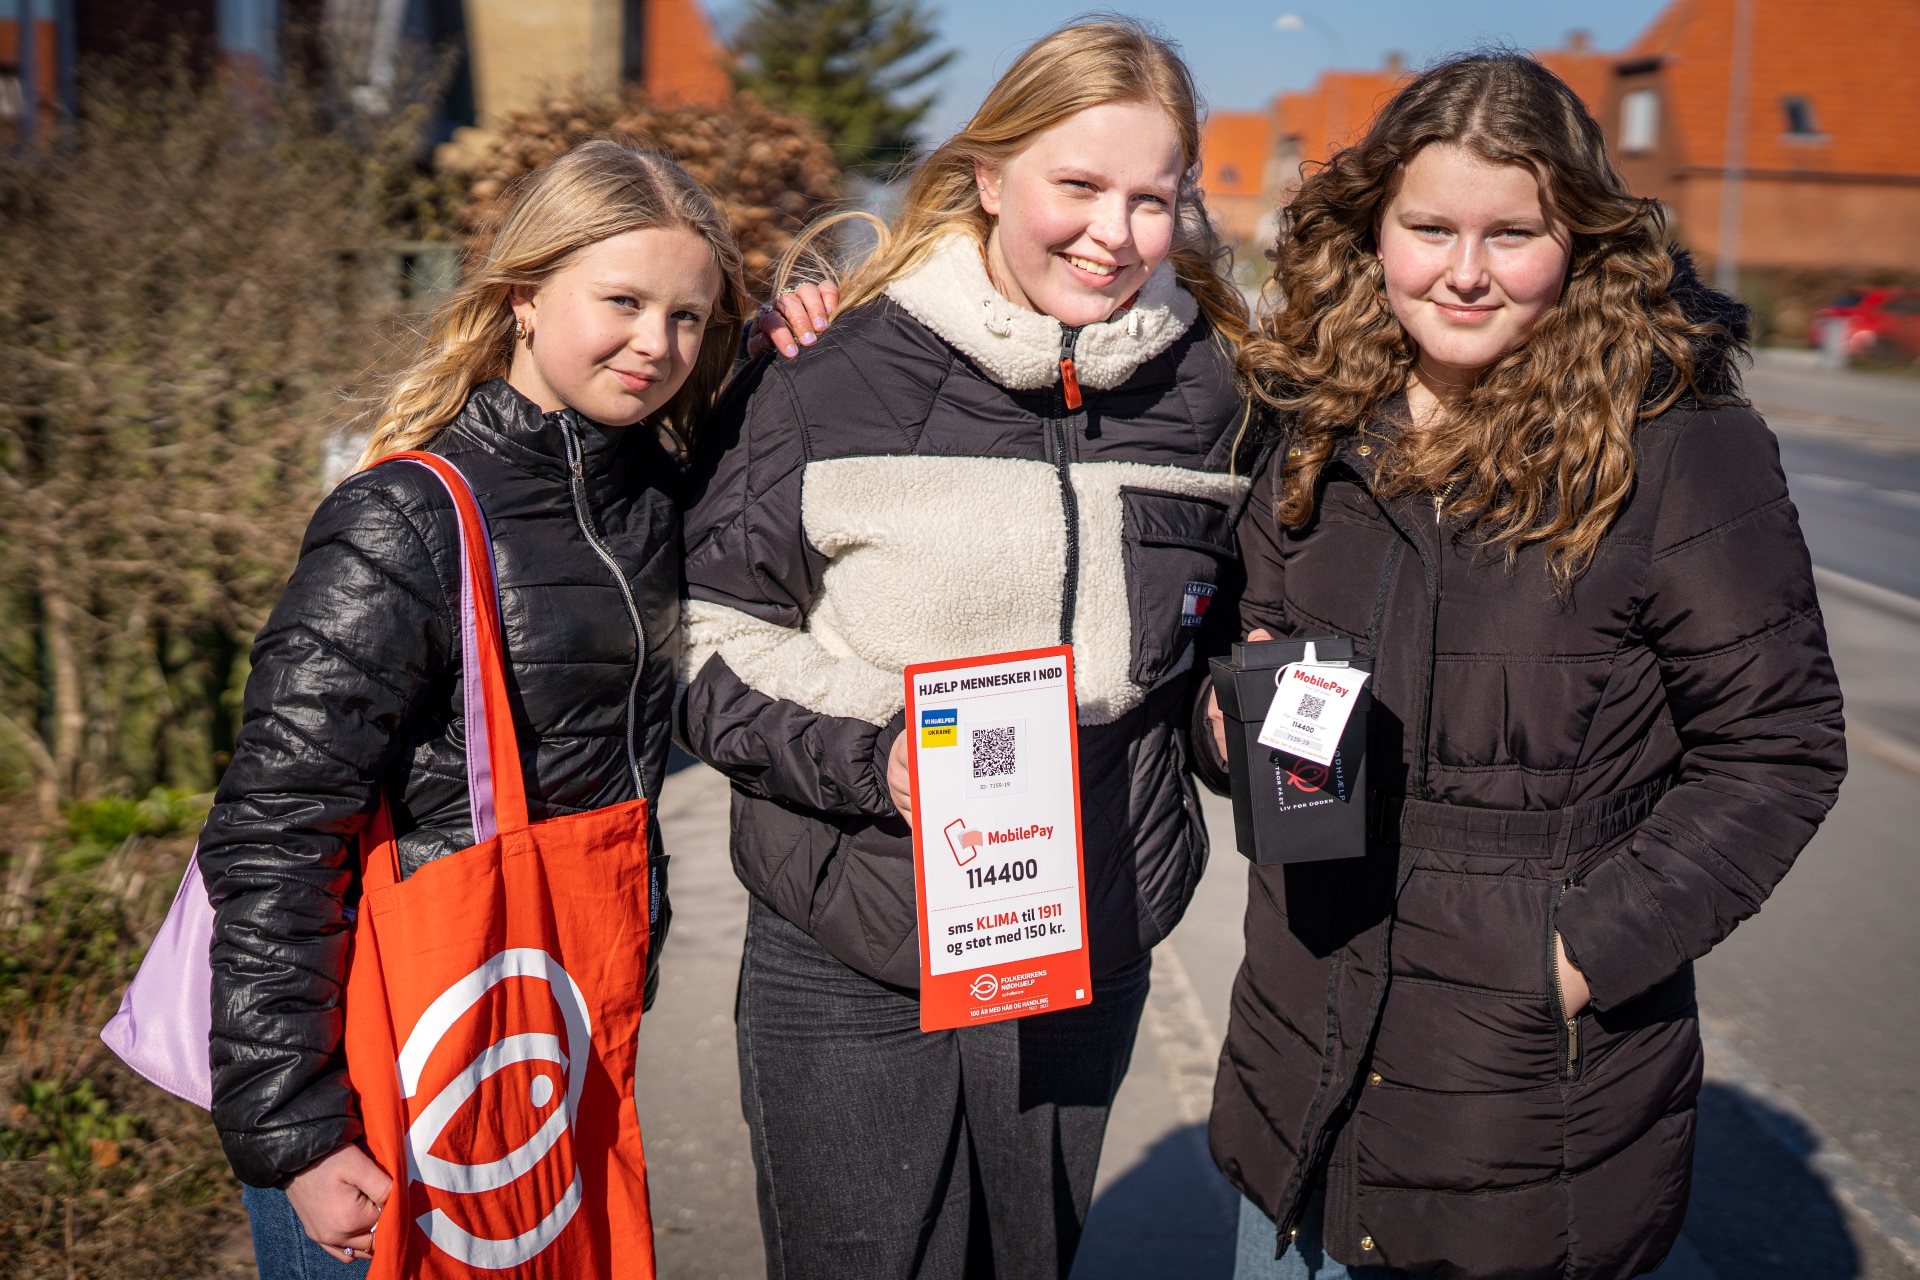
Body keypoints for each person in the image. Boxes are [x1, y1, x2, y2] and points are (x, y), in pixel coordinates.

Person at [1198, 53, 1847, 1280]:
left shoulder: (1680, 444)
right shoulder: (1316, 415)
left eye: (1514, 233)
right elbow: (1248, 648)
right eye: (1429, 226)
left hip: (1519, 1099)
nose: (1464, 270)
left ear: (1584, 239)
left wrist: (1578, 953)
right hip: (1305, 1036)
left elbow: (1780, 745)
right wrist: (1228, 727)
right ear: (1374, 228)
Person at [678, 20, 1250, 1279]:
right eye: (1080, 186)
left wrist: (1228, 719)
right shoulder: (827, 368)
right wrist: (870, 752)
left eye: (1153, 199)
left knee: (1023, 1260)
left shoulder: (1213, 388)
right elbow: (704, 638)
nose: (1115, 232)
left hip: (1087, 925)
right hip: (856, 922)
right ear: (990, 177)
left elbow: (1215, 630)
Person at [196, 140, 749, 1276]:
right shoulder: (402, 519)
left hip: (548, 1030)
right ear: (522, 298)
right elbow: (273, 829)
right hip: (393, 1063)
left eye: (689, 318)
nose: (658, 344)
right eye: (624, 301)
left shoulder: (647, 497)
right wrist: (295, 1133)